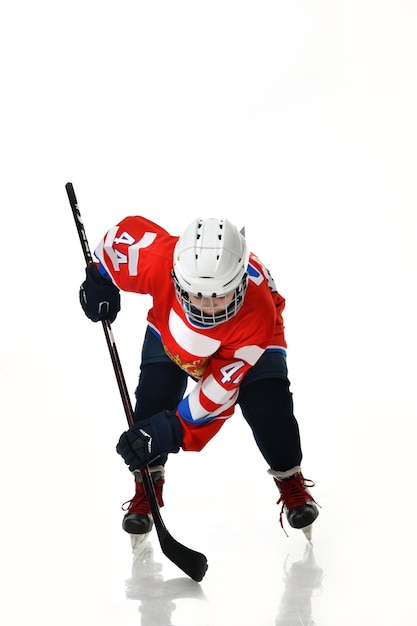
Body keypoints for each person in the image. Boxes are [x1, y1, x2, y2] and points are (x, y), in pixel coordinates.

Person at [79, 215, 319, 538]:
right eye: (197, 295)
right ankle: (147, 485)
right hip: (172, 325)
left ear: (240, 284)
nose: (208, 308)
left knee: (268, 407)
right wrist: (99, 281)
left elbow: (218, 393)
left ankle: (290, 479)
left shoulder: (257, 315)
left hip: (244, 341)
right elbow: (115, 245)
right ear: (177, 278)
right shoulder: (159, 259)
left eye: (218, 296)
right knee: (153, 397)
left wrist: (170, 430)